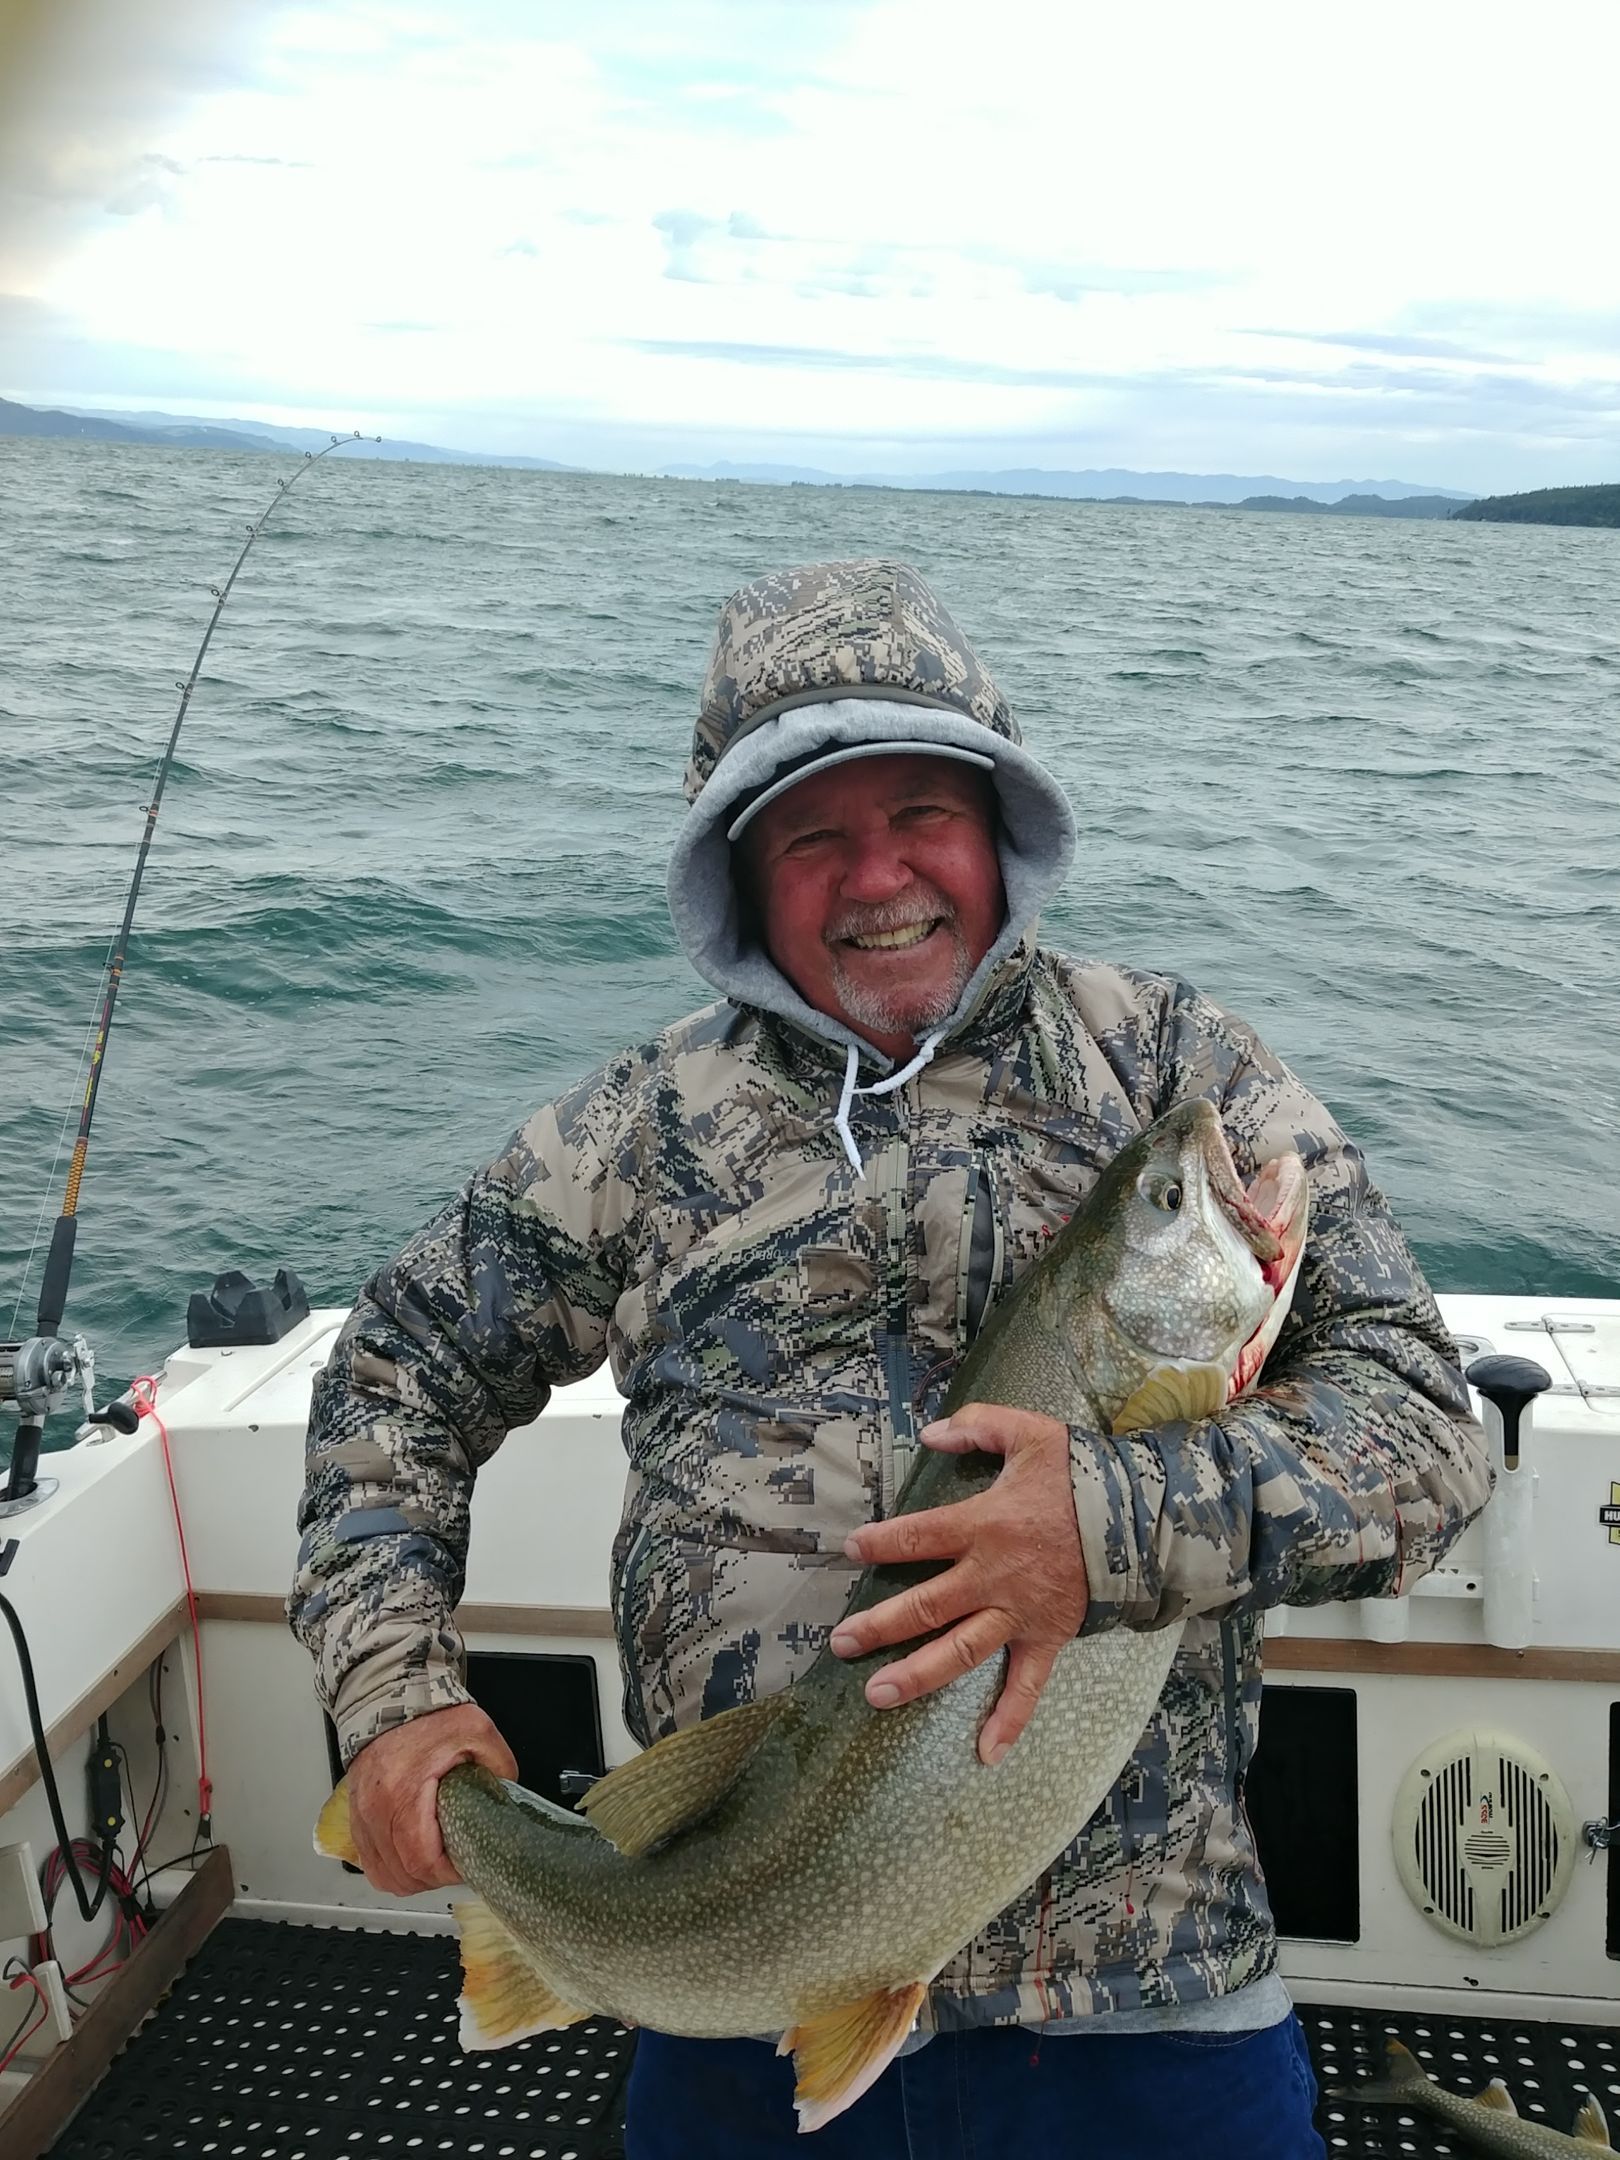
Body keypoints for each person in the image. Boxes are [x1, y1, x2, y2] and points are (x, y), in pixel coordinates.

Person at [289, 558, 1491, 2158]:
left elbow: (1425, 1425)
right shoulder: (628, 1136)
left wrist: (1105, 1529)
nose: (879, 877)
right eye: (813, 833)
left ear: (999, 823)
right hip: (722, 1958)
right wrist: (392, 1703)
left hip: (1148, 1986)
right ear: (744, 871)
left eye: (922, 808)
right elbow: (394, 1377)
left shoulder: (1175, 1071)